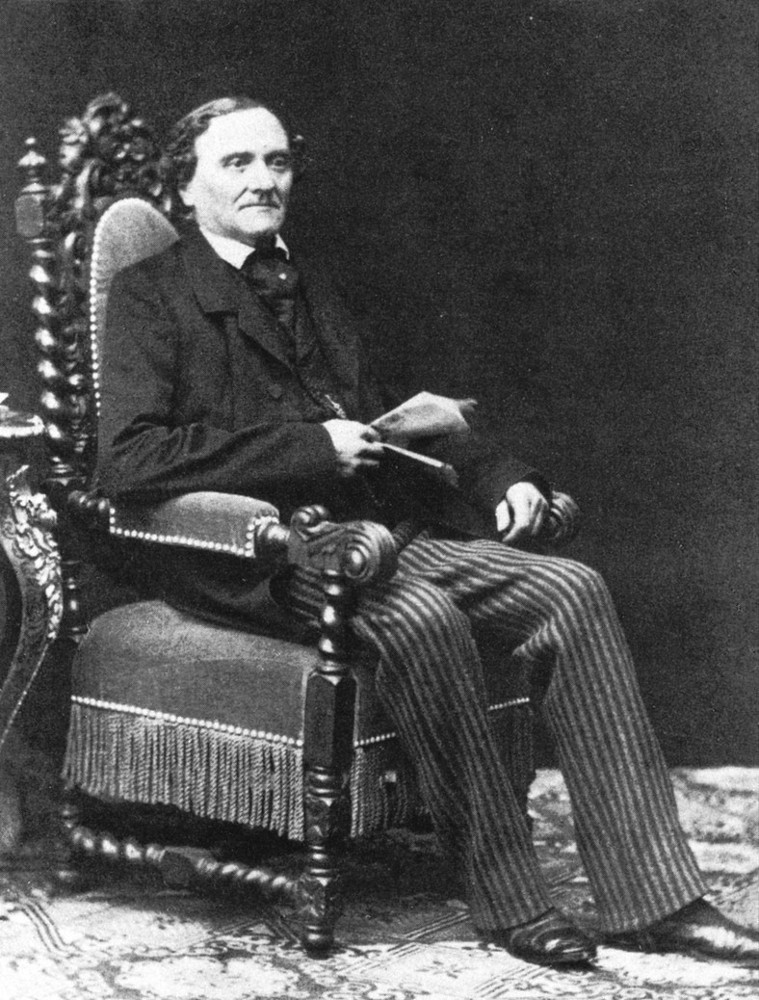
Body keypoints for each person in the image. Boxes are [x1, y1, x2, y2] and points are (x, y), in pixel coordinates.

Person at [97, 96, 759, 969]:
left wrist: (504, 477)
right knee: (423, 616)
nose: (263, 180)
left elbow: (399, 419)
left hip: (376, 533)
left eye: (277, 161)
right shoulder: (151, 293)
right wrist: (310, 447)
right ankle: (510, 902)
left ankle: (653, 900)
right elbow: (130, 462)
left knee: (571, 589)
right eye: (237, 163)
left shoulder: (308, 282)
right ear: (186, 186)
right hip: (264, 553)